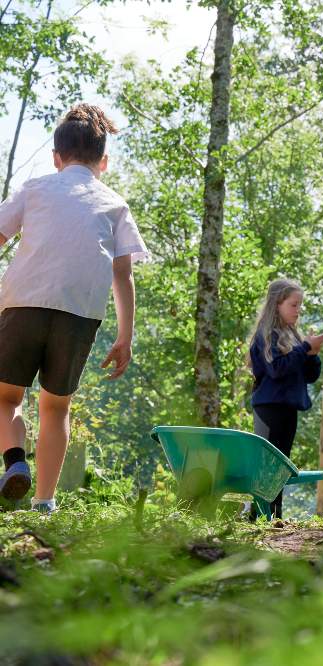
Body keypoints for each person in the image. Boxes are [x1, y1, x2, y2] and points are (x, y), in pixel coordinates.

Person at [0, 104, 146, 513]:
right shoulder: (115, 204)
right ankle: (45, 503)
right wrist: (124, 336)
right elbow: (123, 275)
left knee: (6, 398)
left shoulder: (35, 189)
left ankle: (15, 463)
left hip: (23, 302)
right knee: (56, 405)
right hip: (80, 313)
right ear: (104, 161)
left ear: (55, 157)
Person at [248, 278, 323, 519]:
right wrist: (303, 348)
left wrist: (311, 354)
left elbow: (309, 376)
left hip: (289, 408)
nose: (298, 310)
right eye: (293, 304)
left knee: (281, 465)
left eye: (300, 305)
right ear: (277, 304)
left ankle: (274, 515)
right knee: (266, 465)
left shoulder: (292, 336)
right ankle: (259, 515)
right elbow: (276, 369)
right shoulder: (265, 335)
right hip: (268, 409)